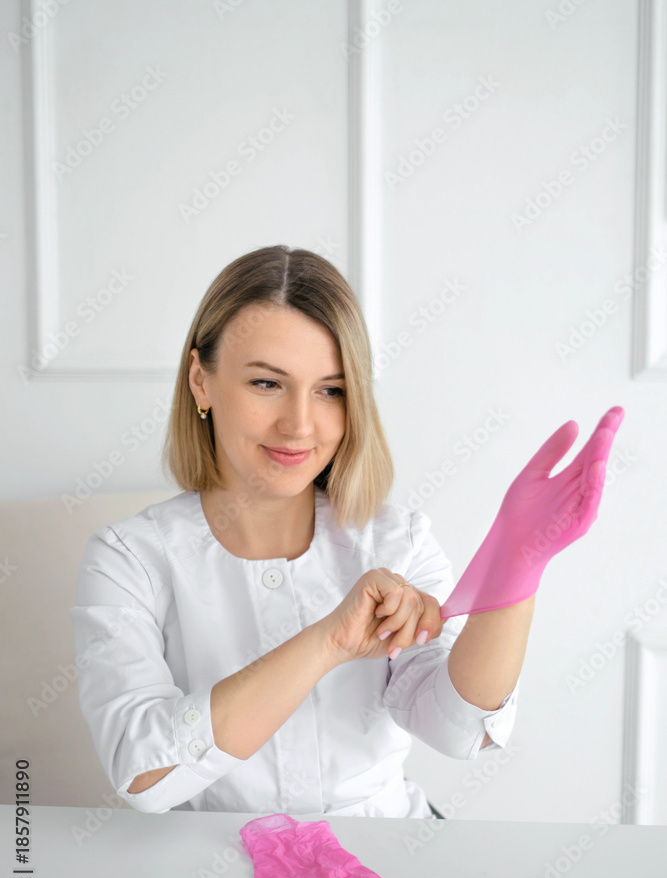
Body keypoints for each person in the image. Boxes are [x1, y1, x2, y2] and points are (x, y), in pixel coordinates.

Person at [69, 244, 532, 819]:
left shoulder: (400, 542)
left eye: (331, 390)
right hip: (210, 861)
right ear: (201, 381)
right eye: (267, 383)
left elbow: (462, 731)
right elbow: (144, 775)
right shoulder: (128, 559)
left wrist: (518, 569)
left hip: (386, 852)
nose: (299, 425)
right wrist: (326, 643)